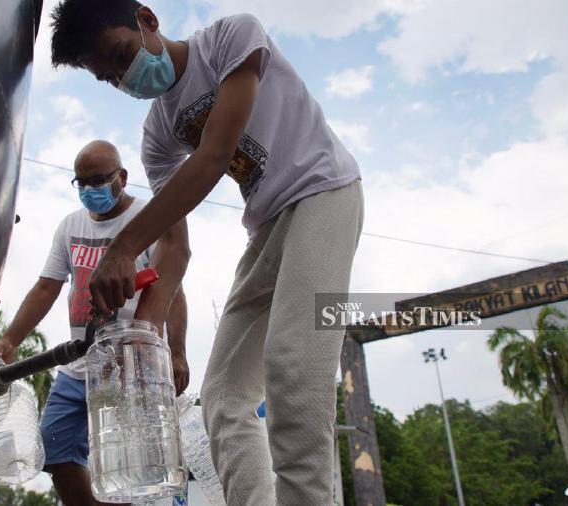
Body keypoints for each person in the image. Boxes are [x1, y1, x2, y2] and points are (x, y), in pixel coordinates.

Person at [49, 2, 364, 505]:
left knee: (291, 366)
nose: (125, 78)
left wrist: (126, 246)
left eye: (122, 55)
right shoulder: (157, 134)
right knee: (224, 397)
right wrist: (146, 332)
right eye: (109, 78)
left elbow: (217, 151)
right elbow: (174, 245)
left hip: (324, 192)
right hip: (266, 227)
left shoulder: (231, 38)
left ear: (146, 20)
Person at [0, 140, 188, 506]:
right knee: (54, 447)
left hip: (131, 364)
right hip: (80, 363)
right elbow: (46, 286)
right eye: (81, 182)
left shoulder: (147, 221)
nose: (89, 190)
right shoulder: (70, 226)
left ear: (122, 177)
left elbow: (173, 290)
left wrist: (177, 352)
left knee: (127, 458)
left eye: (97, 180)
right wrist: (10, 340)